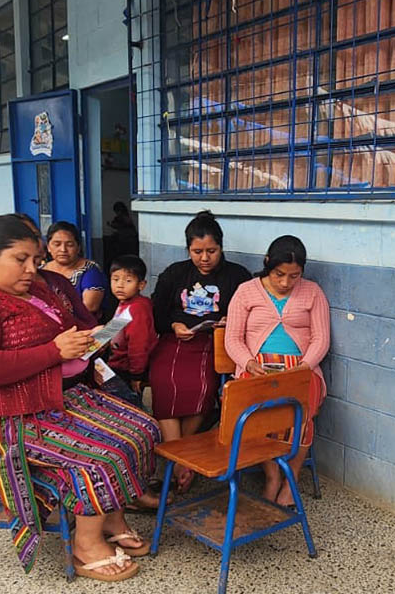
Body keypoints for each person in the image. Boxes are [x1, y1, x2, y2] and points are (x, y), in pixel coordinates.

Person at [0, 215, 161, 581]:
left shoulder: (33, 288)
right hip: (3, 418)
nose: (32, 268)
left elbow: (63, 334)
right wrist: (55, 351)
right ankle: (86, 543)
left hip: (49, 396)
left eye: (35, 260)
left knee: (142, 427)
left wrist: (87, 339)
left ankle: (110, 515)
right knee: (103, 452)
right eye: (21, 259)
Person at [148, 210, 251, 491]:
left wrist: (231, 321)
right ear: (188, 250)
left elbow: (248, 315)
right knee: (163, 380)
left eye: (211, 251)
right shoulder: (175, 273)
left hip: (212, 344)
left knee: (202, 386)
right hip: (174, 340)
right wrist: (174, 324)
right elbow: (156, 312)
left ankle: (177, 458)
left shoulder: (237, 276)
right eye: (197, 252)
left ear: (221, 247)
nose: (204, 258)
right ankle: (182, 458)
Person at [224, 235, 330, 508]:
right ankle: (272, 476)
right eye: (279, 274)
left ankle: (290, 480)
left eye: (294, 276)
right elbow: (232, 339)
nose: (285, 282)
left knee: (304, 411)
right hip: (256, 368)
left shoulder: (313, 292)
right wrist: (249, 363)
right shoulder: (246, 291)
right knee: (253, 414)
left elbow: (321, 339)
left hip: (302, 369)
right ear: (267, 264)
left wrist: (304, 367)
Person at [106, 255, 156, 391]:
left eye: (128, 280)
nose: (120, 285)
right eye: (115, 279)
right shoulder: (125, 303)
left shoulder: (138, 308)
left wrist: (136, 374)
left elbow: (138, 344)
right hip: (118, 363)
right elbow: (113, 328)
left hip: (128, 369)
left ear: (141, 285)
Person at [41, 221, 107, 317]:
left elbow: (90, 307)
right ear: (48, 247)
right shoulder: (41, 271)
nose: (63, 249)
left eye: (70, 245)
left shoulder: (90, 270)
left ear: (78, 247)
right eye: (57, 244)